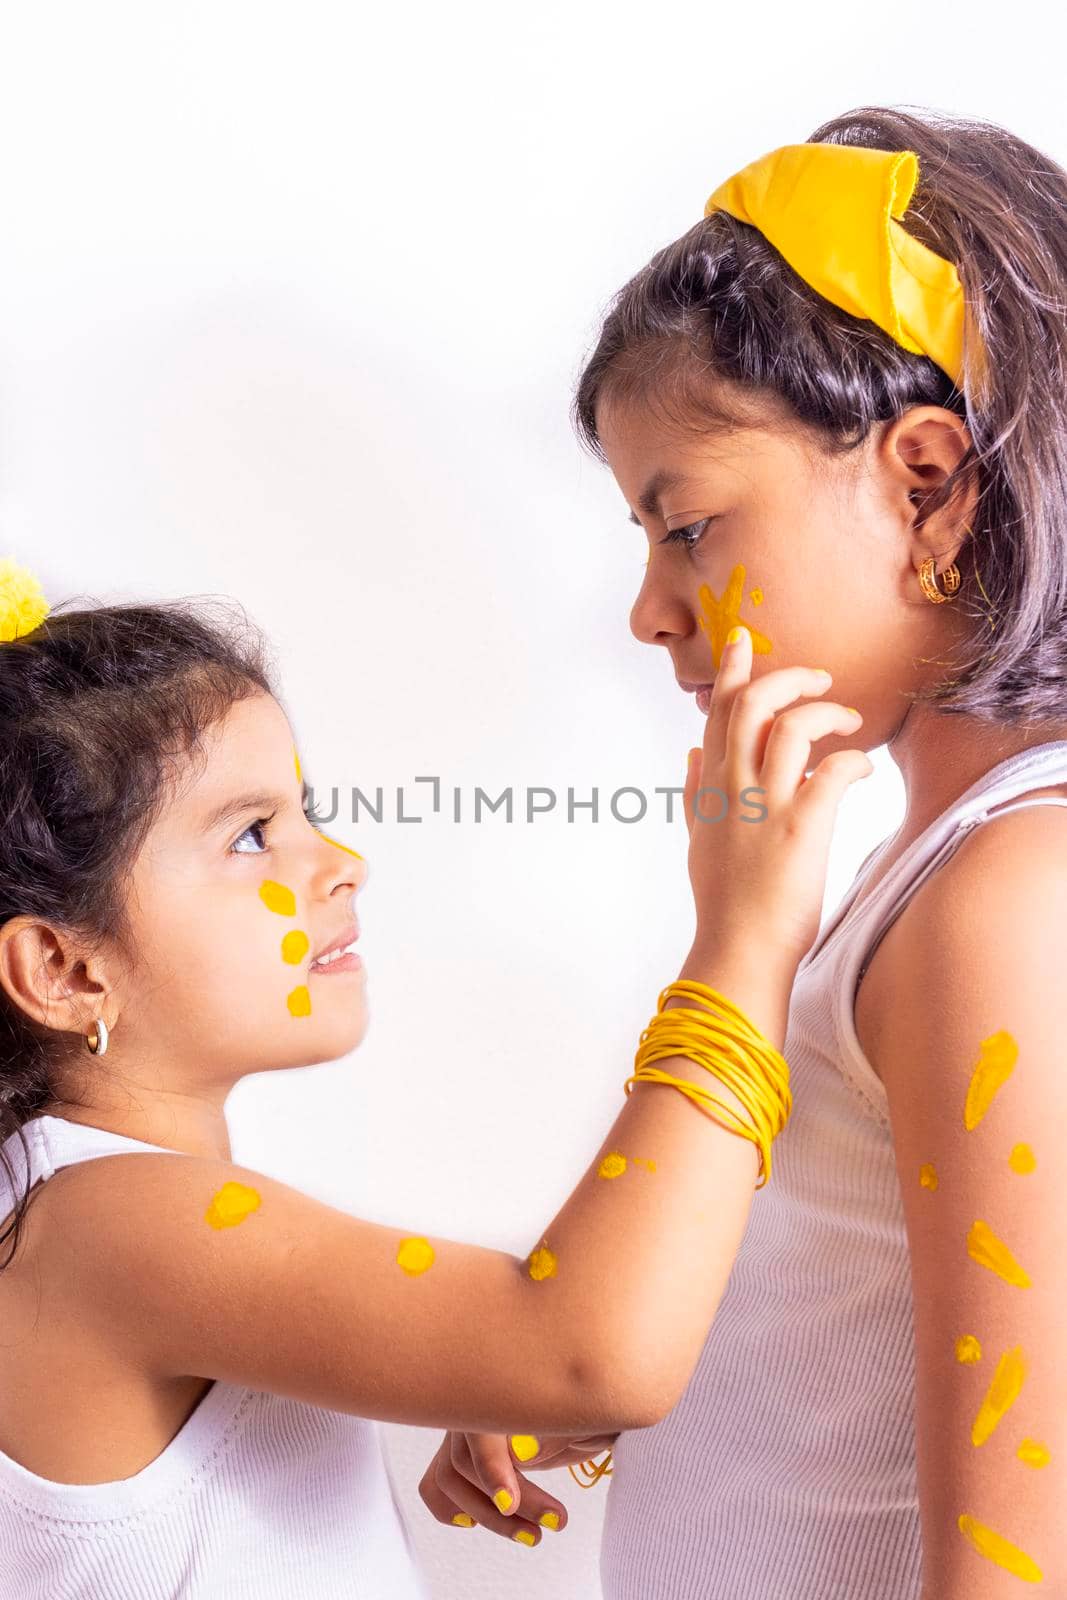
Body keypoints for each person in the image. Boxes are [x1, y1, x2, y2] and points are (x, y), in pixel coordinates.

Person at [419, 105, 1067, 1597]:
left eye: (687, 528)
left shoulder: (1003, 905)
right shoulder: (936, 882)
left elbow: (1018, 1555)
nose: (650, 611)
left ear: (927, 487)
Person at [0, 536, 866, 1599]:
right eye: (250, 836)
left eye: (303, 814)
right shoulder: (108, 1226)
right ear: (62, 967)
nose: (340, 861)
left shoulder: (103, 1215)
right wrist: (743, 943)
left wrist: (474, 1356)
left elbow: (553, 1353)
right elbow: (590, 1350)